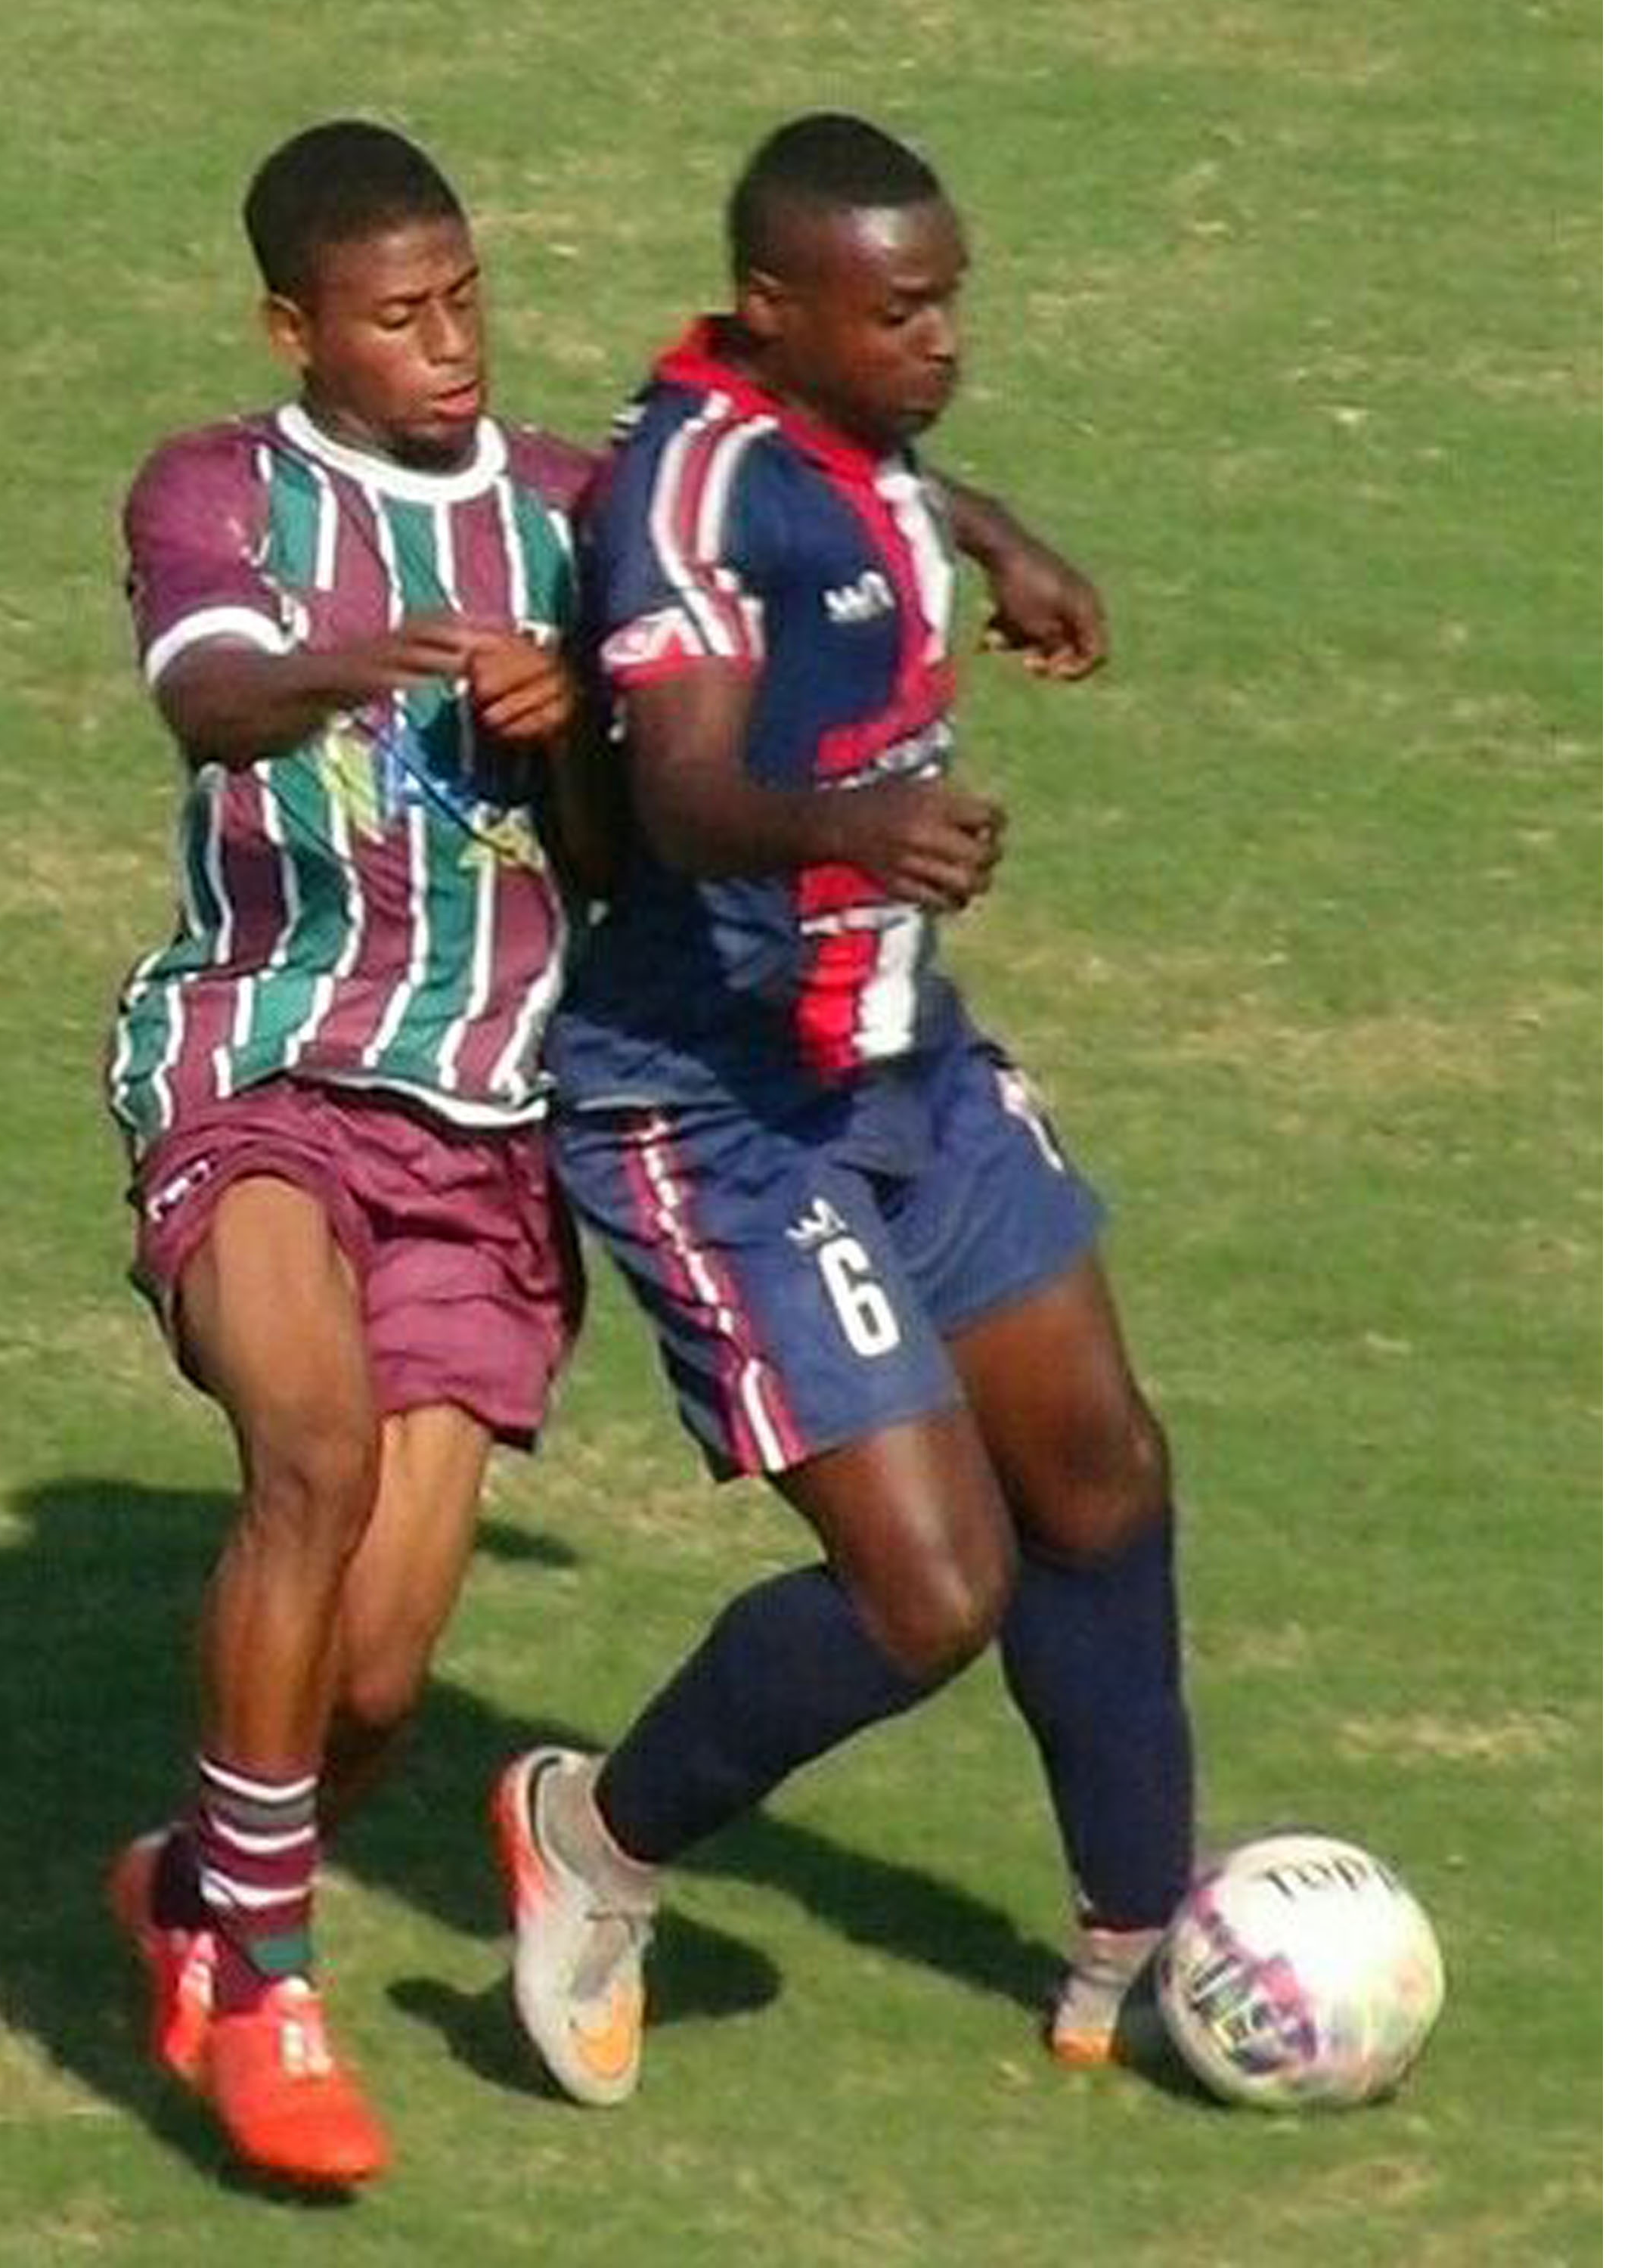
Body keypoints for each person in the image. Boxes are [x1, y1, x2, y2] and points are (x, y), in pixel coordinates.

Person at [489, 113, 1200, 2108]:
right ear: (776, 308)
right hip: (713, 1107)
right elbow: (692, 786)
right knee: (930, 1589)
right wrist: (852, 824)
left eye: (949, 301)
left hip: (904, 1059)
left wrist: (987, 531)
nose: (942, 341)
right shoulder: (681, 493)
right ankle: (591, 1841)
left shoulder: (826, 421)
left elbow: (864, 473)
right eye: (900, 313)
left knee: (1097, 1470)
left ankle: (1140, 1937)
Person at [94, 119, 609, 2189]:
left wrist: (571, 738)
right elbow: (209, 701)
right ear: (292, 326)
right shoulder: (217, 492)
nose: (446, 348)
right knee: (302, 1458)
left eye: (463, 300)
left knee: (375, 1682)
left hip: (495, 1128)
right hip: (265, 1071)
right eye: (396, 319)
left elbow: (626, 862)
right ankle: (270, 2005)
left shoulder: (577, 513)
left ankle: (195, 1895)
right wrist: (343, 668)